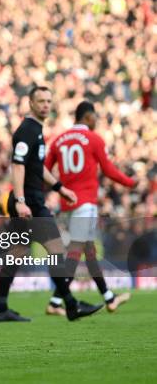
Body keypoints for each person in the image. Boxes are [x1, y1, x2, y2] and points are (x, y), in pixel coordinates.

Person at [0, 86, 103, 322]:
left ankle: (1, 308)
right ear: (30, 103)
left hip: (29, 199)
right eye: (40, 101)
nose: (45, 105)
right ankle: (71, 305)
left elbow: (36, 166)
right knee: (56, 251)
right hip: (30, 201)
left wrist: (60, 188)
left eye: (48, 101)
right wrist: (21, 200)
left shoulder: (36, 130)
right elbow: (18, 165)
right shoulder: (27, 130)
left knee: (17, 253)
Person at [45, 101, 136, 315]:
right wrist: (131, 183)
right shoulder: (94, 139)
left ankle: (109, 298)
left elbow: (45, 170)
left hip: (66, 203)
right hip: (85, 203)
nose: (96, 121)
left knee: (89, 251)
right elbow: (109, 170)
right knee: (76, 252)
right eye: (95, 117)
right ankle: (56, 302)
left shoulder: (58, 140)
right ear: (87, 117)